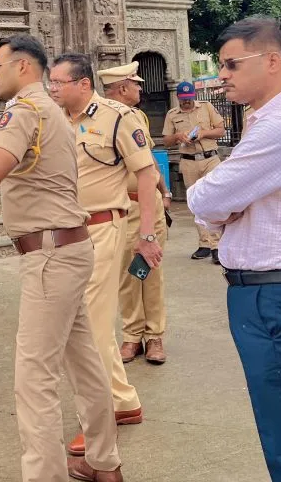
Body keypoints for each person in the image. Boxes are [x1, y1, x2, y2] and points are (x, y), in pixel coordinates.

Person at [0, 35, 122, 482]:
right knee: (84, 362)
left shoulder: (26, 110)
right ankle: (103, 462)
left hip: (51, 255)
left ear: (23, 67)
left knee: (34, 378)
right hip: (68, 248)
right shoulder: (50, 112)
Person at [187, 16, 281, 482]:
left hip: (276, 295)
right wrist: (227, 204)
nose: (222, 74)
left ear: (272, 61)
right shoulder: (267, 120)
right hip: (266, 292)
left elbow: (204, 199)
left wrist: (224, 204)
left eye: (231, 63)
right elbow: (219, 204)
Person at [48, 53, 159, 458]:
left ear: (82, 83)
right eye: (51, 82)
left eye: (59, 82)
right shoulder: (54, 119)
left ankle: (97, 422)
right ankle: (124, 401)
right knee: (89, 327)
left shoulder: (117, 117)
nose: (53, 88)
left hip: (103, 228)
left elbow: (147, 174)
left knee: (87, 330)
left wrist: (146, 234)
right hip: (66, 235)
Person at [99, 62, 171, 366]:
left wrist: (165, 192)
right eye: (135, 84)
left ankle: (155, 335)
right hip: (120, 206)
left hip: (148, 205)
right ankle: (132, 336)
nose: (141, 89)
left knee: (150, 271)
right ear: (122, 88)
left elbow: (148, 161)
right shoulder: (100, 119)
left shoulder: (137, 116)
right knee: (126, 275)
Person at [162, 80, 227, 262]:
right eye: (183, 100)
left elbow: (221, 130)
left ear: (194, 96)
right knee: (196, 203)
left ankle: (216, 246)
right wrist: (177, 136)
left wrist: (203, 134)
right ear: (178, 98)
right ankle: (204, 244)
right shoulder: (172, 114)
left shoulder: (206, 108)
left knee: (213, 200)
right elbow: (166, 140)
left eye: (189, 99)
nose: (186, 103)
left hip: (210, 159)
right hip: (189, 162)